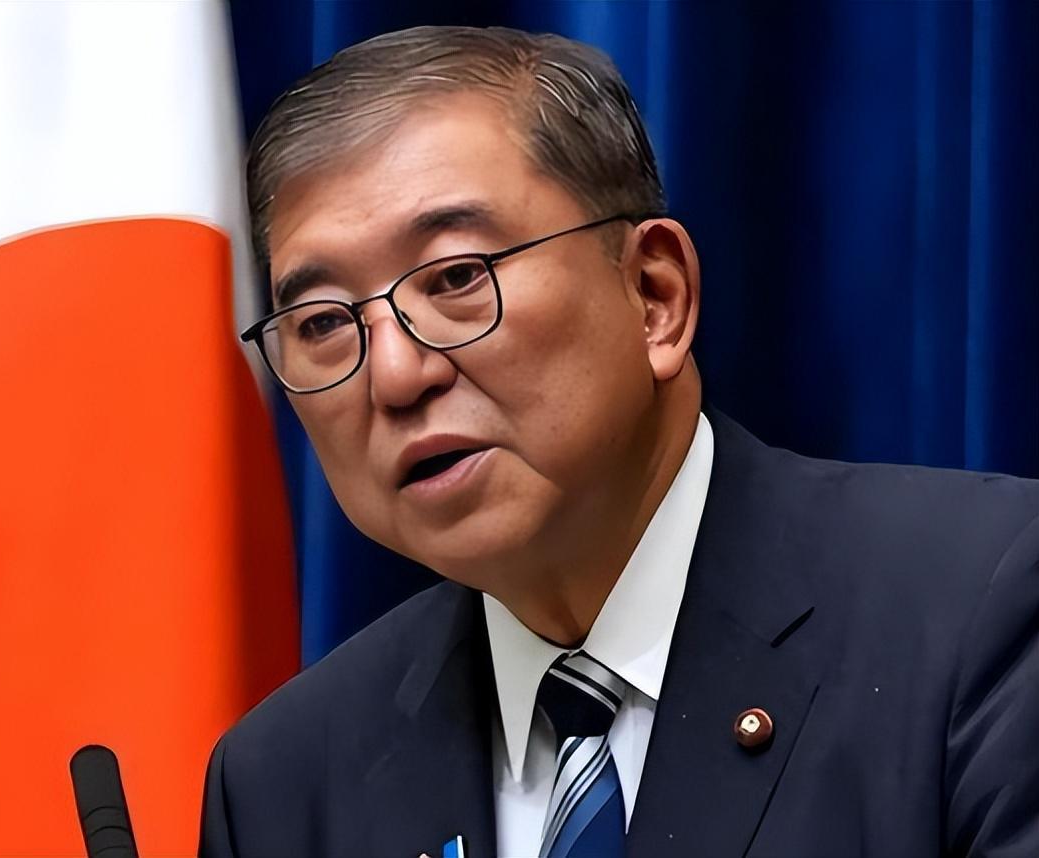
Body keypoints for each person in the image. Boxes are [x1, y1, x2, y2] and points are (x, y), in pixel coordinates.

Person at [199, 25, 1039, 858]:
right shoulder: (284, 785)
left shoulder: (981, 612)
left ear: (654, 296)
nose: (393, 376)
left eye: (457, 277)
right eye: (322, 324)